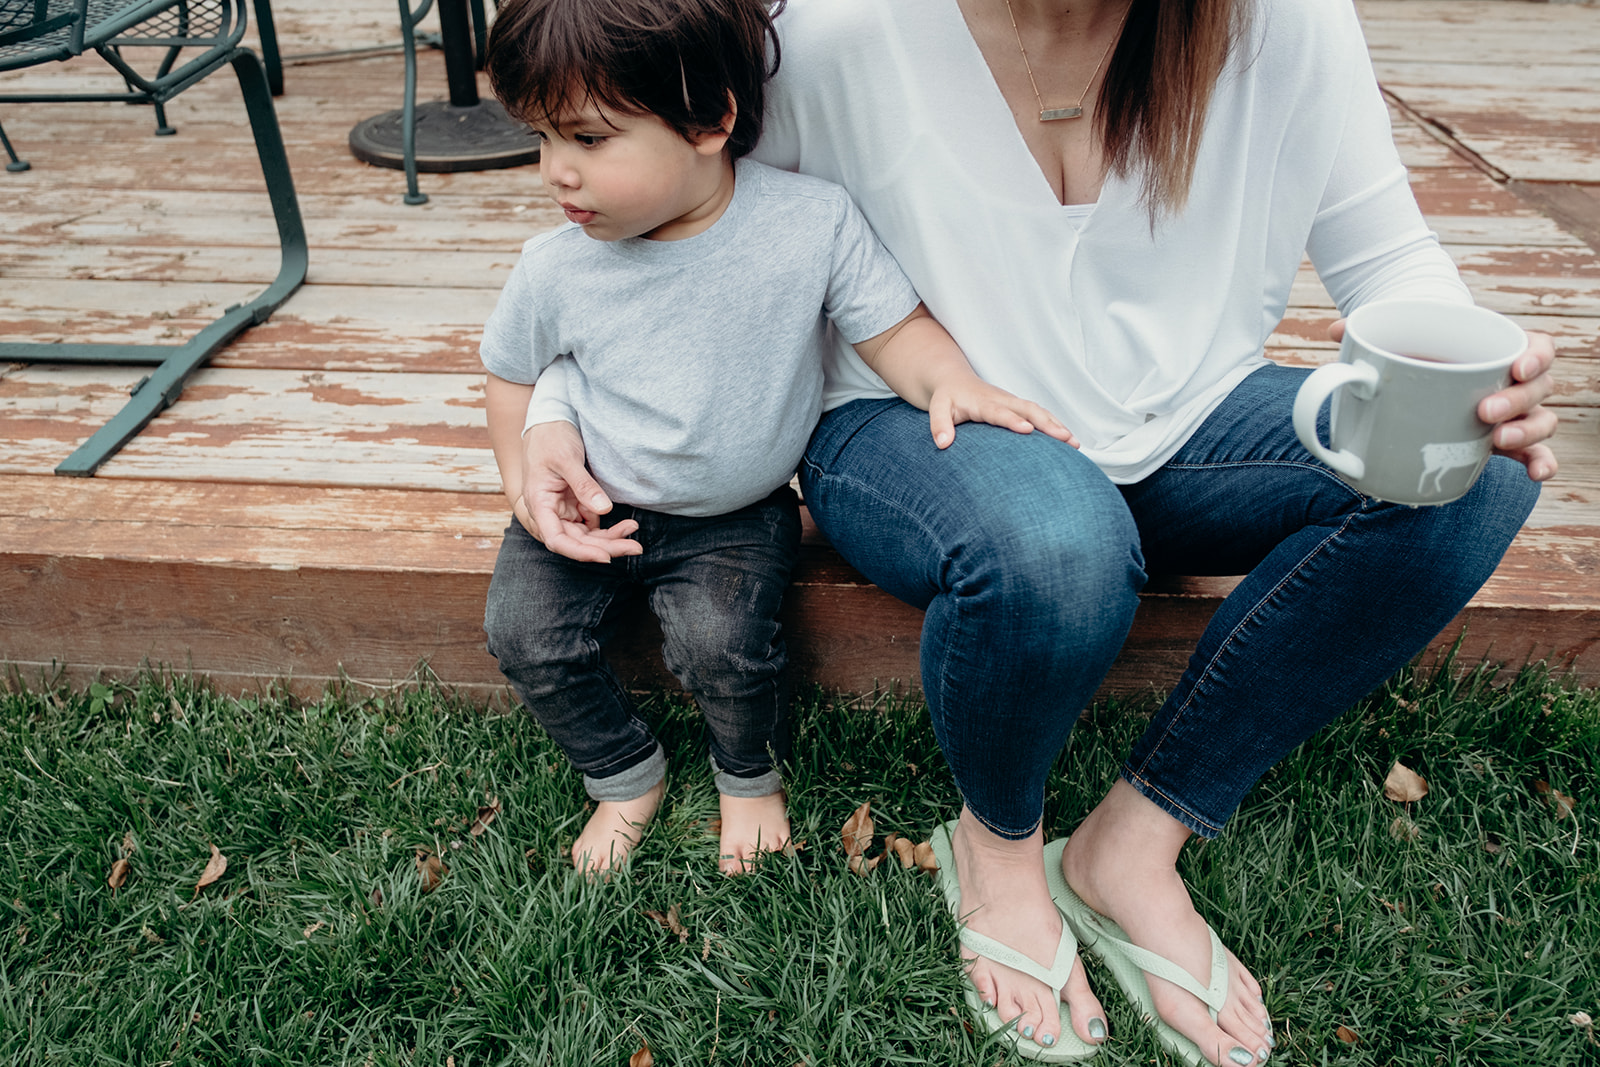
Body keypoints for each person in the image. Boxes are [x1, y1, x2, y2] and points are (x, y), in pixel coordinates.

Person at [513, 0, 1560, 1060]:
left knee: (1472, 481)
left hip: (1187, 414)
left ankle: (1133, 842)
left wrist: (1475, 387)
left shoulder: (1281, 21)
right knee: (1056, 546)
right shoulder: (829, 30)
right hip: (904, 423)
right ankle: (998, 846)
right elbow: (666, 229)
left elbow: (1387, 257)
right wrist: (551, 407)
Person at [478, 0, 1073, 877]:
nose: (556, 174)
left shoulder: (809, 223)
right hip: (591, 504)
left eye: (590, 140)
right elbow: (511, 373)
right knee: (522, 631)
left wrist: (952, 381)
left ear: (711, 119)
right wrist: (521, 479)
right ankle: (620, 773)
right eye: (542, 140)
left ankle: (748, 775)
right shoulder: (555, 265)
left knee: (724, 648)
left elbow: (891, 327)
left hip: (735, 512)